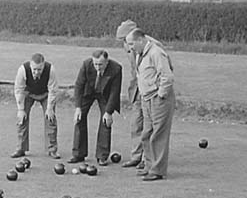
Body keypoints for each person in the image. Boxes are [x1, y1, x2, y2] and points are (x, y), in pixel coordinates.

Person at [115, 19, 169, 170]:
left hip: (152, 93)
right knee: (136, 124)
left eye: (124, 40)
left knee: (149, 128)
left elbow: (166, 71)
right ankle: (136, 156)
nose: (124, 45)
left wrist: (160, 91)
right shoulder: (130, 47)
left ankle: (147, 160)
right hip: (138, 90)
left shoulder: (154, 47)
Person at [125, 28, 175, 181]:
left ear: (141, 40)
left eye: (132, 44)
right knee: (146, 133)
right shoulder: (140, 54)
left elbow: (167, 75)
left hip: (158, 99)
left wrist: (160, 94)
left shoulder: (156, 52)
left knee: (158, 134)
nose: (130, 47)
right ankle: (149, 166)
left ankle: (158, 171)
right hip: (146, 98)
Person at [68, 49, 122, 166]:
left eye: (100, 64)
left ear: (107, 62)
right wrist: (78, 107)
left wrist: (108, 112)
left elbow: (115, 92)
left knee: (105, 121)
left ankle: (102, 156)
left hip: (105, 94)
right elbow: (79, 86)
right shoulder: (86, 64)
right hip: (88, 91)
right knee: (79, 118)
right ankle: (78, 154)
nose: (97, 67)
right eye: (95, 64)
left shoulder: (116, 69)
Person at [11, 53, 61, 159]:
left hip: (45, 94)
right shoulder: (23, 70)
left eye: (39, 69)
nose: (36, 72)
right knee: (22, 119)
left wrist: (50, 108)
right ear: (30, 65)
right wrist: (21, 109)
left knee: (50, 119)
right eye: (34, 69)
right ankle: (21, 149)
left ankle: (52, 149)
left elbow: (53, 90)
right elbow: (19, 89)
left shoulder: (50, 70)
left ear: (43, 66)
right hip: (28, 93)